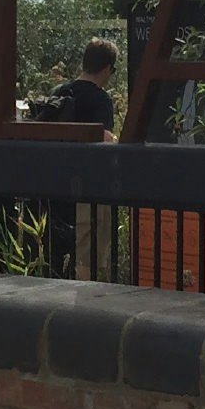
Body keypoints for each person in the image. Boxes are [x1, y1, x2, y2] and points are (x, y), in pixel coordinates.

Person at [50, 39, 120, 279]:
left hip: (55, 186)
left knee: (56, 253)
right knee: (87, 256)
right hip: (88, 188)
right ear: (107, 69)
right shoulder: (101, 100)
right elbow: (104, 139)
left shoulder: (58, 93)